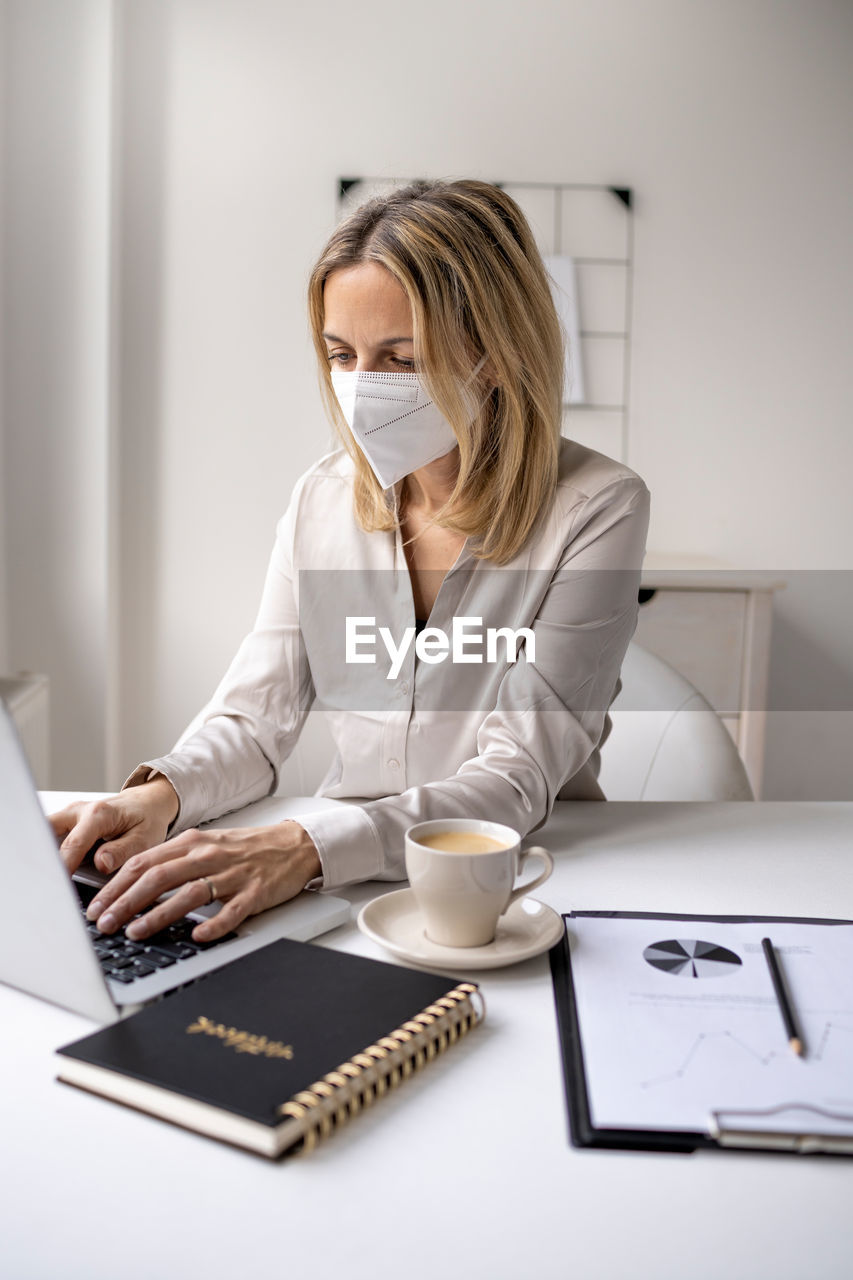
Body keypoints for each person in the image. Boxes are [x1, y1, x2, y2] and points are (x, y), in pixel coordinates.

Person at [51, 179, 650, 946]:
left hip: (522, 881)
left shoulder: (596, 507)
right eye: (343, 355)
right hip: (342, 885)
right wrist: (161, 795)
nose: (363, 388)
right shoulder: (321, 499)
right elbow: (254, 718)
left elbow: (514, 778)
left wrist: (300, 849)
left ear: (495, 356)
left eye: (401, 358)